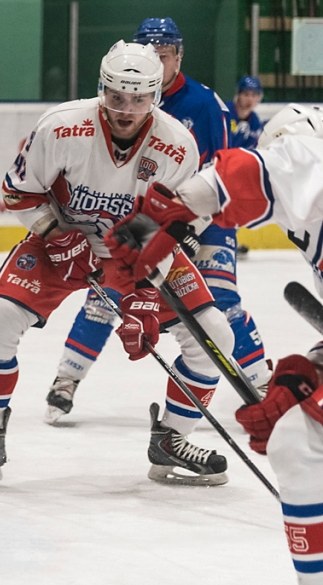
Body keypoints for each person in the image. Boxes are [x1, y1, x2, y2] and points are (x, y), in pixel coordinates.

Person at [0, 40, 235, 487]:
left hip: (139, 250)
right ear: (101, 90)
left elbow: (175, 223)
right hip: (63, 236)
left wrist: (147, 293)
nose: (126, 109)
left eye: (139, 99)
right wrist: (55, 235)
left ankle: (172, 438)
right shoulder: (61, 127)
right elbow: (19, 192)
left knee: (215, 338)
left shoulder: (177, 145)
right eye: (116, 97)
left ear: (156, 96)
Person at [108, 103, 323, 585]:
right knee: (302, 429)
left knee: (300, 441)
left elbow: (241, 176)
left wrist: (161, 217)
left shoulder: (311, 149)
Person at [45, 17, 270, 423]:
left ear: (178, 56)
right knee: (106, 294)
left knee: (222, 304)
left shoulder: (204, 104)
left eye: (165, 55)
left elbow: (220, 173)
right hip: (143, 220)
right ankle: (67, 380)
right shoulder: (119, 100)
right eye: (153, 54)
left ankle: (261, 385)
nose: (157, 62)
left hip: (205, 220)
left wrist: (191, 232)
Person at [227, 76, 265, 150]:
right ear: (238, 95)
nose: (250, 99)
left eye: (254, 95)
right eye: (246, 94)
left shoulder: (255, 122)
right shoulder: (225, 113)